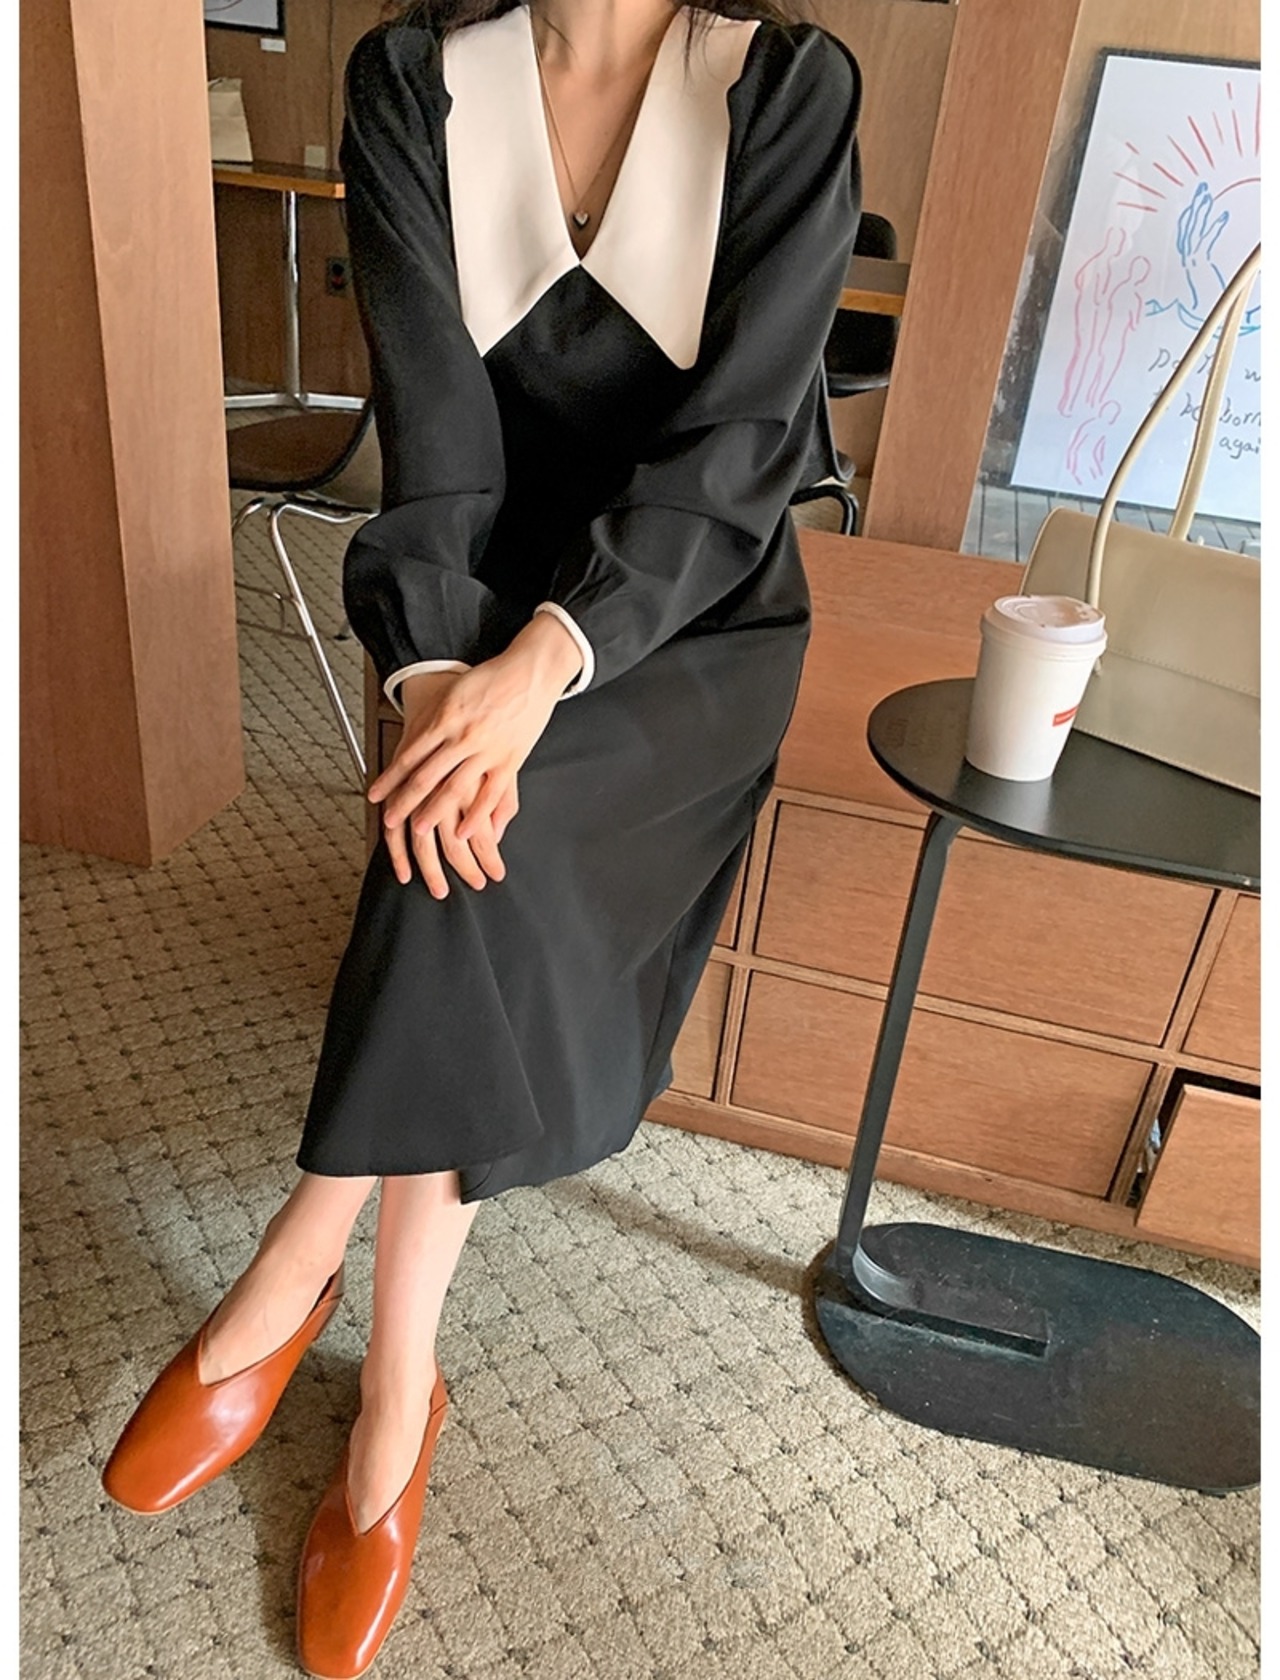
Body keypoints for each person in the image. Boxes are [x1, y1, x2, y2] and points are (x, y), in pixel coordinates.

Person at [102, 1, 862, 1673]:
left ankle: (299, 1266)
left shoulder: (784, 88)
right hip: (475, 591)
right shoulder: (414, 80)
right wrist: (447, 670)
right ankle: (399, 1389)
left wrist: (543, 667)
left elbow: (741, 447)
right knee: (456, 815)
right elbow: (433, 430)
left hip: (687, 621)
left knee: (465, 814)